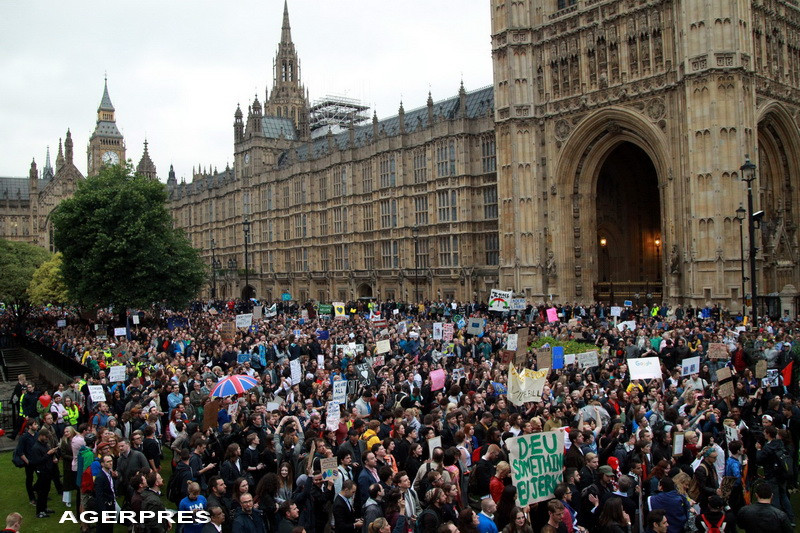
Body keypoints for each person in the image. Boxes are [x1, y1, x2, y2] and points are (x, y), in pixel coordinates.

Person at [756, 425, 795, 523]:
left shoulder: (768, 447)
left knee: (775, 498)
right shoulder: (780, 443)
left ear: (768, 434)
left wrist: (759, 450)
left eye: (765, 432)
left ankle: (777, 520)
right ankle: (791, 518)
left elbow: (759, 460)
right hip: (782, 474)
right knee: (784, 496)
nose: (764, 434)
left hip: (772, 476)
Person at [29, 427, 58, 519]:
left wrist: (53, 454)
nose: (47, 439)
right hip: (42, 472)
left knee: (46, 491)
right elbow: (36, 461)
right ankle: (39, 511)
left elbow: (47, 456)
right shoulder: (36, 448)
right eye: (46, 437)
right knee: (41, 492)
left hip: (48, 471)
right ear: (41, 436)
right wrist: (48, 454)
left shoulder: (45, 445)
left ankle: (44, 508)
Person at [93, 455, 118, 532]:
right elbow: (99, 497)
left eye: (111, 461)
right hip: (105, 508)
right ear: (102, 464)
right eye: (108, 462)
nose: (110, 463)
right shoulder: (100, 477)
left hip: (111, 505)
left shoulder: (110, 474)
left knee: (110, 528)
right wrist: (104, 513)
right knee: (103, 529)